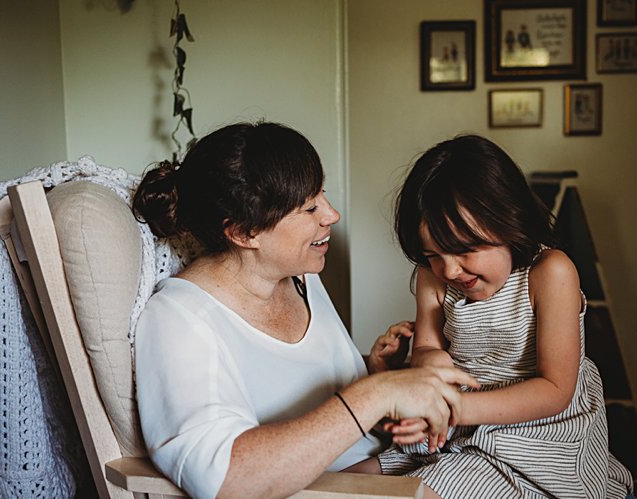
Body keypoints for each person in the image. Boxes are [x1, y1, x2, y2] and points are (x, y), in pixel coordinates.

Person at [130, 121, 481, 499]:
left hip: (387, 466)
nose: (331, 215)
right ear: (244, 233)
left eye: (322, 194)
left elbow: (300, 389)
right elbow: (226, 478)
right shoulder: (179, 320)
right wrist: (377, 393)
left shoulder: (299, 278)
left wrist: (375, 373)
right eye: (309, 207)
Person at [380, 135, 632, 498]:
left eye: (464, 249)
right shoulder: (431, 277)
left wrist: (455, 409)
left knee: (421, 490)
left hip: (538, 432)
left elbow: (555, 390)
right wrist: (432, 361)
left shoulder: (550, 273)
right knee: (353, 475)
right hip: (457, 421)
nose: (449, 269)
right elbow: (426, 347)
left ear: (508, 221)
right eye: (432, 253)